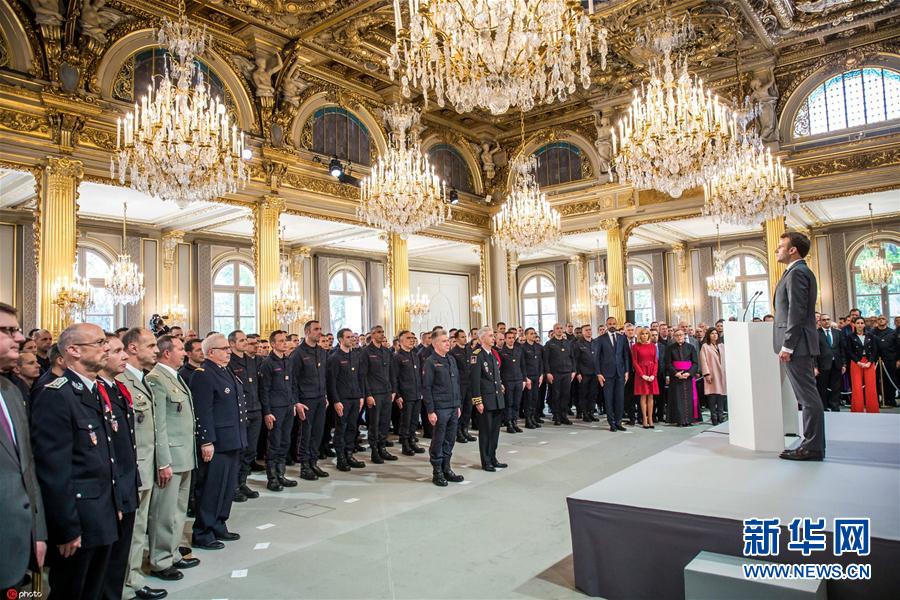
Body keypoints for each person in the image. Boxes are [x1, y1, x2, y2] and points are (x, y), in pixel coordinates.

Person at [31, 323, 118, 600]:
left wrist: (115, 502)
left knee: (94, 589)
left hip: (102, 511)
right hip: (79, 519)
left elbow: (104, 455)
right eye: (99, 343)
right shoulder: (56, 394)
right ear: (73, 350)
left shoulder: (95, 389)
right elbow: (53, 470)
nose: (106, 348)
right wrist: (66, 528)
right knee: (72, 591)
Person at [145, 335, 200, 581]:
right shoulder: (156, 379)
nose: (184, 353)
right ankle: (160, 560)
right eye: (179, 348)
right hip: (170, 457)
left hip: (184, 454)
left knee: (178, 511)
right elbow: (159, 425)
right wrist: (163, 461)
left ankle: (173, 552)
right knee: (164, 513)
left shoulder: (174, 376)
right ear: (167, 353)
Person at [0, 303, 46, 591]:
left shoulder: (11, 392)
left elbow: (27, 469)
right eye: (8, 330)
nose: (19, 337)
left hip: (17, 540)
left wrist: (37, 533)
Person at [119, 327, 167, 600]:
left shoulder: (142, 379)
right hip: (134, 468)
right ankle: (126, 585)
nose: (157, 350)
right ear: (133, 348)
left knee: (139, 529)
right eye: (150, 345)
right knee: (133, 530)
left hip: (146, 466)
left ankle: (133, 579)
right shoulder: (123, 380)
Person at [190, 333, 247, 549]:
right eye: (224, 348)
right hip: (217, 442)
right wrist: (206, 441)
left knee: (227, 486)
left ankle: (219, 523)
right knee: (211, 488)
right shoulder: (204, 374)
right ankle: (203, 531)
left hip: (232, 438)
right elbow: (203, 410)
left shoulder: (225, 371)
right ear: (211, 352)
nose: (228, 352)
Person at [97, 332, 141, 600]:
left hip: (125, 478)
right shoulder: (95, 391)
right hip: (106, 485)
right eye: (116, 351)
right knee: (103, 560)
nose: (124, 356)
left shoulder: (117, 388)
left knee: (119, 554)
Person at [773, 231, 823, 461]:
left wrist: (788, 345)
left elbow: (797, 311)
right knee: (807, 397)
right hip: (799, 344)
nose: (777, 250)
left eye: (781, 246)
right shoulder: (795, 272)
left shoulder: (798, 272)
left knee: (808, 398)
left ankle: (812, 447)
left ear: (793, 250)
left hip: (798, 345)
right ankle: (812, 444)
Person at [422, 331, 464, 487]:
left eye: (448, 340)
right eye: (444, 341)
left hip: (452, 406)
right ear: (435, 344)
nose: (448, 343)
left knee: (450, 440)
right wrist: (430, 411)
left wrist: (458, 405)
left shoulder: (451, 359)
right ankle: (437, 472)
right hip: (440, 408)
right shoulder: (430, 362)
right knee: (438, 441)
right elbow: (426, 388)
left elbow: (456, 384)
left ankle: (447, 468)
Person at [258, 330, 297, 491]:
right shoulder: (268, 363)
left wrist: (294, 403)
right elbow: (264, 390)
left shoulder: (288, 360)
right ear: (273, 344)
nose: (284, 343)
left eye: (285, 340)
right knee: (274, 442)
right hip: (275, 409)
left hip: (288, 407)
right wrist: (267, 412)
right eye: (280, 341)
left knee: (285, 441)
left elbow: (292, 385)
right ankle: (272, 478)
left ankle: (281, 474)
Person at [292, 320, 329, 480]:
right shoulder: (298, 353)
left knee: (317, 433)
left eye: (320, 329)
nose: (319, 332)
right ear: (307, 332)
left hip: (320, 398)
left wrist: (325, 395)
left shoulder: (321, 351)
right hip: (306, 400)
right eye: (316, 329)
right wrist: (296, 402)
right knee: (305, 434)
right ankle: (304, 466)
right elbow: (293, 380)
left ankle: (313, 462)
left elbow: (324, 376)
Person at [227, 330, 261, 503]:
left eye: (245, 340)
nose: (245, 343)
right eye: (241, 340)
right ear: (232, 344)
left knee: (250, 450)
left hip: (256, 409)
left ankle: (242, 482)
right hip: (240, 412)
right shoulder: (229, 362)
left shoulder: (252, 360)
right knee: (239, 451)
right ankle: (232, 486)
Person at [327, 328, 366, 472]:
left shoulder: (356, 355)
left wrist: (361, 396)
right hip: (342, 399)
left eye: (352, 337)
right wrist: (336, 401)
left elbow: (360, 377)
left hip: (355, 397)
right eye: (348, 337)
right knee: (341, 428)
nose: (352, 339)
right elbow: (332, 382)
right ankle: (341, 458)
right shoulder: (335, 357)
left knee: (352, 427)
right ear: (341, 339)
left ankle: (349, 454)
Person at [470, 327, 506, 472]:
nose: (493, 338)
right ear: (482, 338)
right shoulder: (477, 355)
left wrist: (500, 386)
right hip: (485, 400)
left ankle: (493, 457)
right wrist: (478, 401)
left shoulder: (493, 354)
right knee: (486, 432)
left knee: (495, 431)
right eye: (490, 336)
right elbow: (475, 381)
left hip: (496, 398)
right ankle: (486, 461)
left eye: (493, 336)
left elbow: (495, 376)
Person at [361, 325, 396, 464]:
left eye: (382, 332)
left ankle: (382, 448)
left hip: (386, 392)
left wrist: (393, 390)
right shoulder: (366, 352)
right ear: (372, 334)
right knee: (374, 423)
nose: (382, 334)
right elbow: (363, 375)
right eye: (378, 332)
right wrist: (368, 394)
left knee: (385, 422)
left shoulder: (386, 351)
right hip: (374, 393)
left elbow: (392, 372)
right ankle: (374, 451)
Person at [593, 320, 631, 432]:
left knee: (620, 398)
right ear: (606, 325)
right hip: (606, 374)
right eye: (610, 324)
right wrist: (598, 373)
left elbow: (626, 355)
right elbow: (596, 358)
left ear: (616, 324)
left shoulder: (622, 338)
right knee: (609, 399)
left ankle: (619, 422)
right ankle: (611, 423)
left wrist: (627, 371)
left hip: (620, 373)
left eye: (614, 324)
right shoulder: (600, 339)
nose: (612, 326)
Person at [393, 330, 425, 456]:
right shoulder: (397, 357)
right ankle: (405, 444)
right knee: (405, 421)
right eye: (408, 338)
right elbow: (394, 378)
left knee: (414, 421)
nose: (412, 340)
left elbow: (419, 375)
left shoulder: (415, 355)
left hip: (416, 393)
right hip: (405, 395)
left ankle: (412, 441)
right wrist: (398, 395)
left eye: (413, 337)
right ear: (400, 341)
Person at [543, 323, 574, 425]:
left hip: (567, 373)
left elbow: (572, 358)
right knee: (556, 395)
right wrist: (548, 373)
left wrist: (573, 371)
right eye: (557, 328)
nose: (559, 330)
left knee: (566, 395)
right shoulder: (549, 344)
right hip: (555, 373)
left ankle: (564, 415)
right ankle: (556, 416)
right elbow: (546, 360)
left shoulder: (568, 343)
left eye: (561, 328)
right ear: (554, 330)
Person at [846, 316, 879, 413]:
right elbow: (849, 351)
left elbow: (875, 350)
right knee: (856, 386)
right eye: (858, 323)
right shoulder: (850, 337)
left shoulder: (871, 336)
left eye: (861, 323)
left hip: (869, 362)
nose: (860, 325)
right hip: (856, 362)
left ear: (864, 324)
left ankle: (873, 410)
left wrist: (869, 362)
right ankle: (857, 410)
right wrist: (858, 362)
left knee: (871, 386)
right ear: (854, 325)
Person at [666, 329, 699, 427]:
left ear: (684, 335)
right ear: (674, 337)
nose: (679, 337)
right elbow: (668, 363)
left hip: (688, 377)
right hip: (676, 377)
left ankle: (689, 420)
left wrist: (689, 373)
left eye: (681, 335)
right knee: (677, 398)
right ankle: (680, 420)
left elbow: (695, 363)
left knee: (689, 398)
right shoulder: (670, 348)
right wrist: (676, 373)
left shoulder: (691, 347)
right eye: (677, 335)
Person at [815, 314, 846, 412]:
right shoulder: (816, 333)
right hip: (822, 364)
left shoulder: (837, 332)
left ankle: (835, 406)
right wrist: (815, 367)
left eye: (828, 319)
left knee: (836, 387)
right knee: (822, 387)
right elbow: (814, 352)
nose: (826, 321)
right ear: (820, 322)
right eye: (824, 320)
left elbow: (842, 349)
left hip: (836, 363)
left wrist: (844, 364)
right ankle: (823, 406)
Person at [449, 329, 475, 443]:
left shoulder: (470, 350)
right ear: (456, 339)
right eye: (462, 337)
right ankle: (458, 432)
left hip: (470, 384)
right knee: (460, 408)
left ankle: (465, 430)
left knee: (468, 408)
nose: (465, 339)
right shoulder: (453, 352)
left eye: (465, 336)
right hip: (460, 385)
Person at [631, 327, 659, 429]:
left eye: (646, 334)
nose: (644, 336)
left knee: (651, 397)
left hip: (651, 372)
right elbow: (635, 362)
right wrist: (643, 375)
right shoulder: (635, 346)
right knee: (643, 396)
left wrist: (653, 375)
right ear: (639, 336)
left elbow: (655, 361)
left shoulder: (653, 346)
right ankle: (644, 419)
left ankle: (650, 419)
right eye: (642, 334)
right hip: (641, 373)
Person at [498, 330, 525, 433]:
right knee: (509, 403)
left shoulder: (519, 350)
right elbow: (499, 369)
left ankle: (515, 422)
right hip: (507, 380)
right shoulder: (501, 352)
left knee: (517, 403)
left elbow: (523, 366)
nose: (511, 340)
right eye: (509, 338)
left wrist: (524, 379)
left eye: (513, 338)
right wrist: (501, 382)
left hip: (518, 379)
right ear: (505, 339)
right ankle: (509, 423)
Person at [699, 328, 727, 426]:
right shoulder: (705, 346)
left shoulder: (722, 346)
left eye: (716, 333)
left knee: (721, 397)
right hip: (712, 374)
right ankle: (714, 417)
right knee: (712, 397)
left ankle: (720, 416)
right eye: (712, 333)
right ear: (708, 335)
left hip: (722, 374)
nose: (715, 335)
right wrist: (706, 374)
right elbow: (703, 361)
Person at [573, 324, 599, 422]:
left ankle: (591, 412)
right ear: (583, 332)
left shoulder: (595, 342)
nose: (589, 332)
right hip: (584, 373)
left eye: (590, 330)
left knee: (593, 394)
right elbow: (575, 360)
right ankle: (585, 413)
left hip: (595, 373)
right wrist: (578, 373)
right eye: (586, 330)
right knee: (584, 394)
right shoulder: (578, 344)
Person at [871, 315, 898, 407]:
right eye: (879, 319)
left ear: (887, 321)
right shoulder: (872, 332)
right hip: (876, 360)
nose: (881, 320)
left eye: (883, 319)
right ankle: (877, 400)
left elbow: (898, 346)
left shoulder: (893, 332)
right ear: (877, 321)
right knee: (876, 380)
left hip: (890, 359)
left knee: (890, 380)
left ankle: (890, 399)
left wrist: (898, 360)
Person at [521, 327, 544, 428]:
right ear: (526, 335)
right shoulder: (522, 348)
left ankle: (533, 418)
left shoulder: (539, 347)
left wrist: (541, 374)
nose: (533, 335)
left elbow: (541, 362)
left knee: (535, 398)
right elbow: (522, 364)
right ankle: (528, 420)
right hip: (528, 377)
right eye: (531, 333)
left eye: (534, 333)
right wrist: (525, 378)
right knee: (528, 399)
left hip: (537, 376)